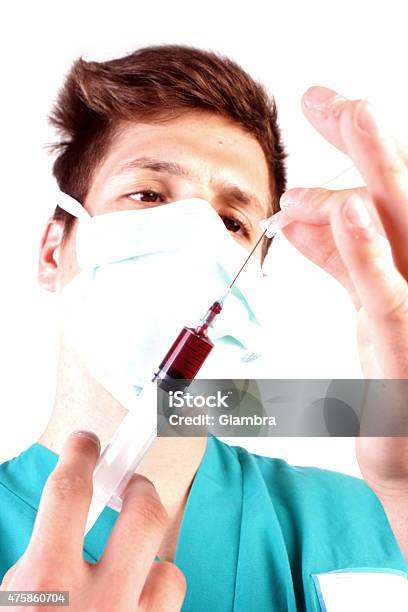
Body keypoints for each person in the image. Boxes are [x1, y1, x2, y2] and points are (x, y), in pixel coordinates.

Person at [1, 45, 407, 611]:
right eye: (147, 194)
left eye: (232, 222)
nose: (196, 239)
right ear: (53, 252)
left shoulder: (371, 520)